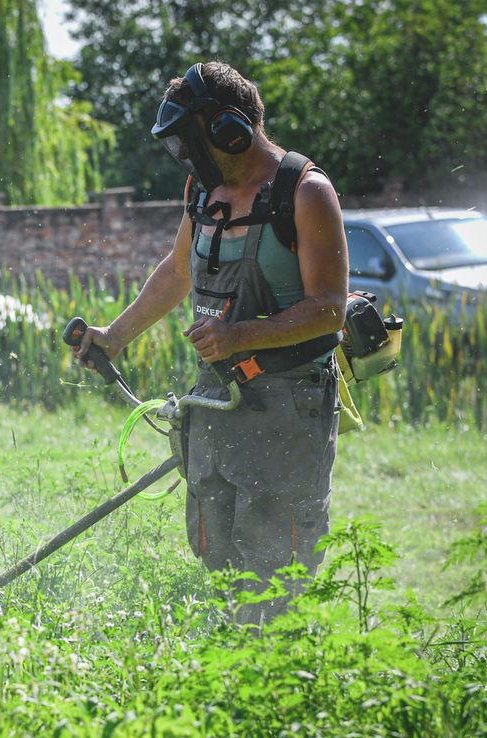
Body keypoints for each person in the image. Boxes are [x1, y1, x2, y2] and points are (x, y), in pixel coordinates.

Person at [76, 62, 348, 625]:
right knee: (216, 542)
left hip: (289, 405)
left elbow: (328, 310)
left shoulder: (305, 193)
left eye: (188, 138)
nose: (182, 153)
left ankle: (276, 673)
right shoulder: (203, 191)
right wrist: (115, 336)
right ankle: (229, 662)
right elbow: (178, 273)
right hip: (219, 395)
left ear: (229, 128)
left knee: (276, 557)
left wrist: (238, 335)